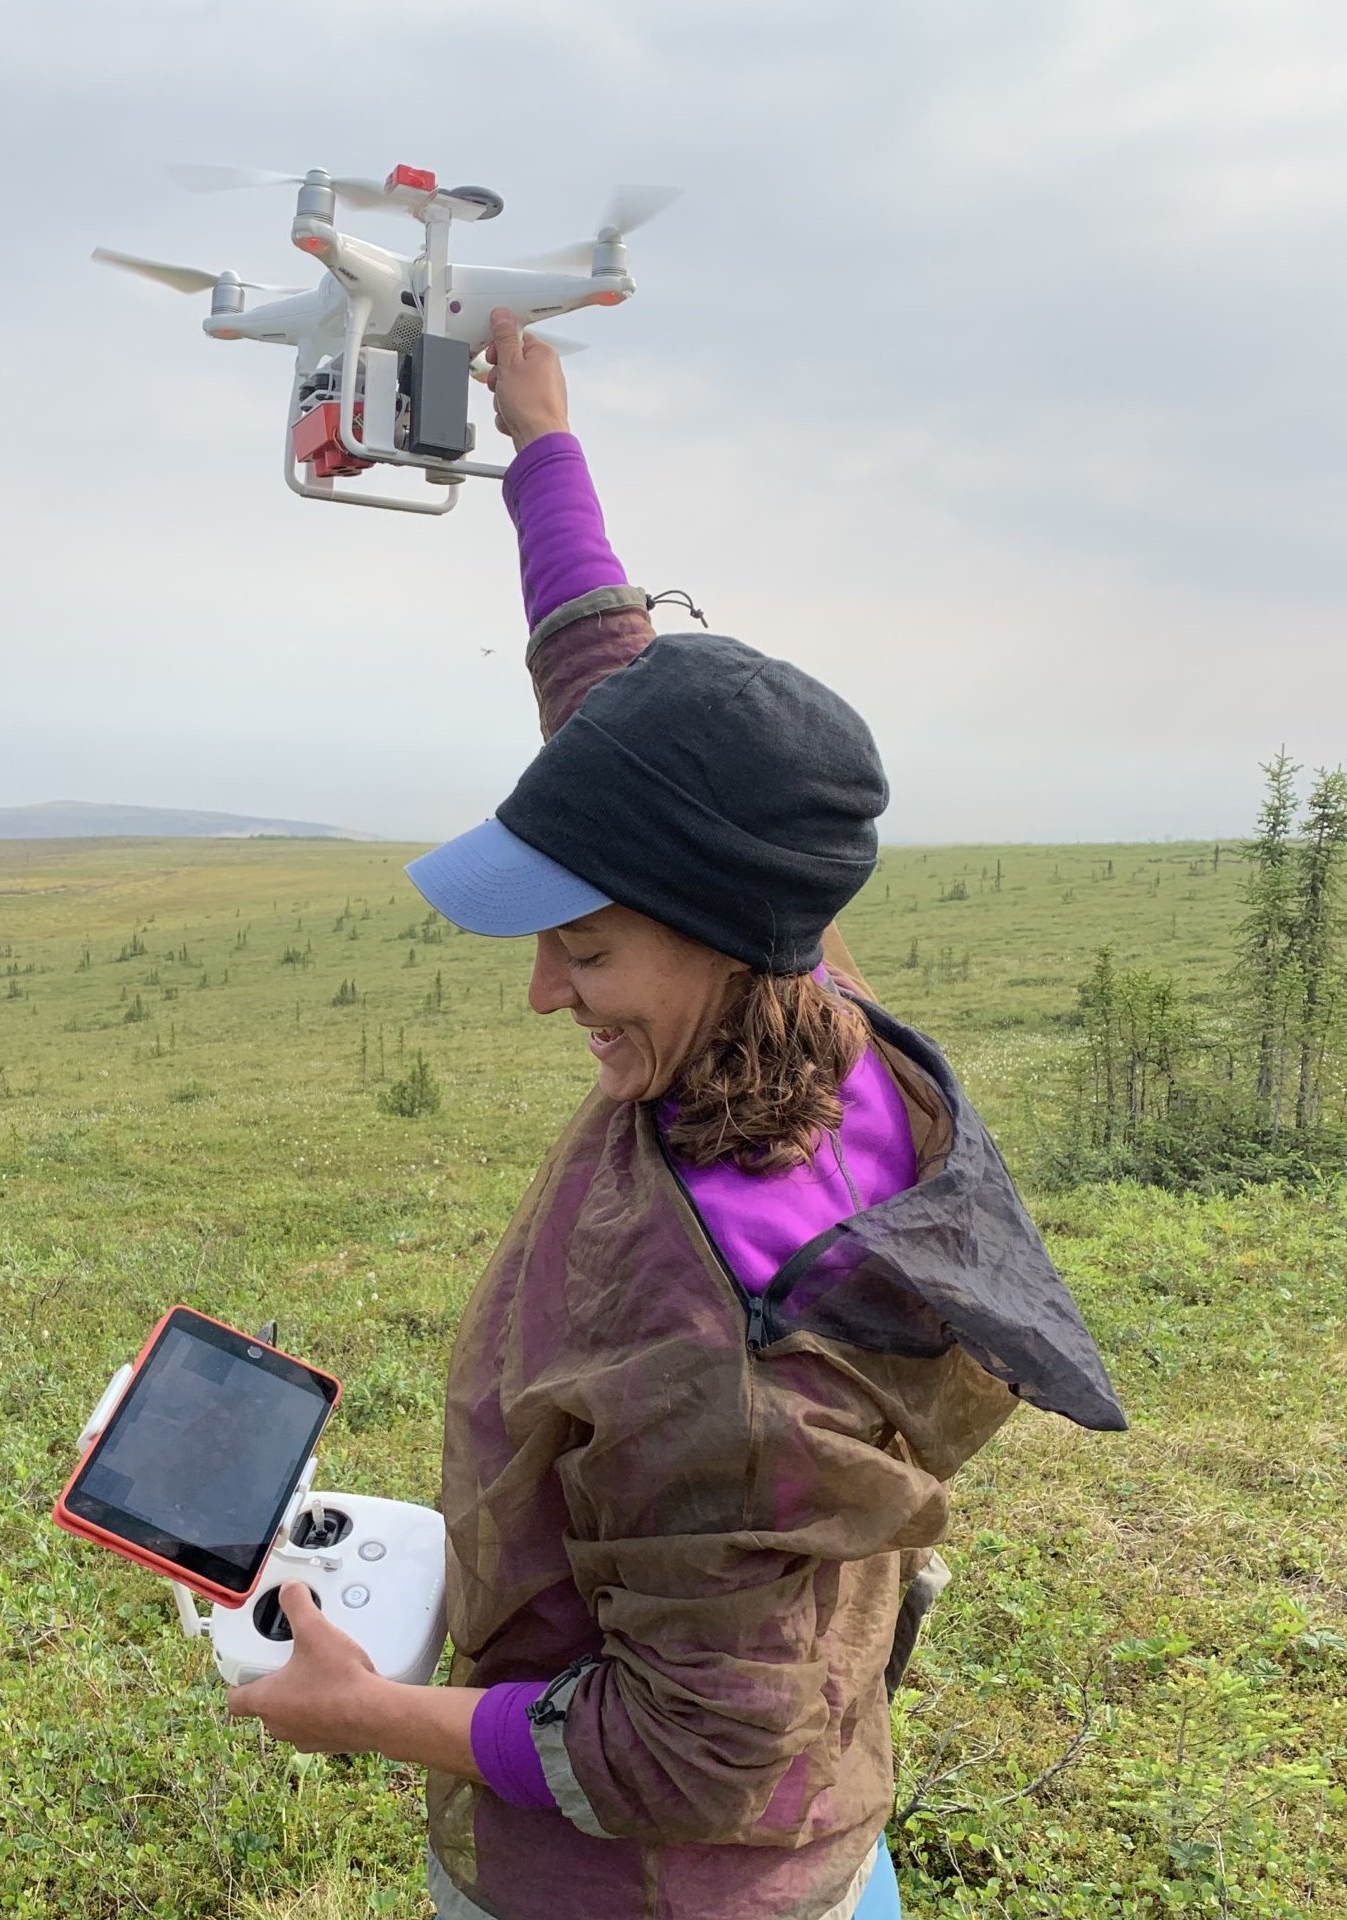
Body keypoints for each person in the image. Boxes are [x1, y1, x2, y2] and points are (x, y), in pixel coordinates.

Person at [226, 311, 1126, 1920]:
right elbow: (615, 690)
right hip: (818, 1826)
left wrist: (363, 1715)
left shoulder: (721, 1349)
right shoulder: (810, 994)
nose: (544, 993)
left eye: (583, 947)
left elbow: (699, 1752)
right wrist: (542, 442)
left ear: (718, 928)